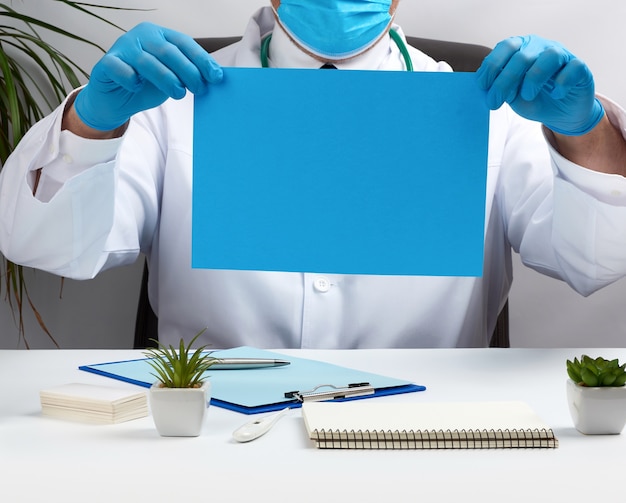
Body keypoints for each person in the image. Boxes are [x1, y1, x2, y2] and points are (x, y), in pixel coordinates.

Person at [1, 1, 626, 349]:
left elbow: (596, 261)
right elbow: (50, 246)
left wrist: (582, 129)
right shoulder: (167, 98)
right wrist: (92, 123)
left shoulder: (490, 105)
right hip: (213, 432)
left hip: (424, 434)